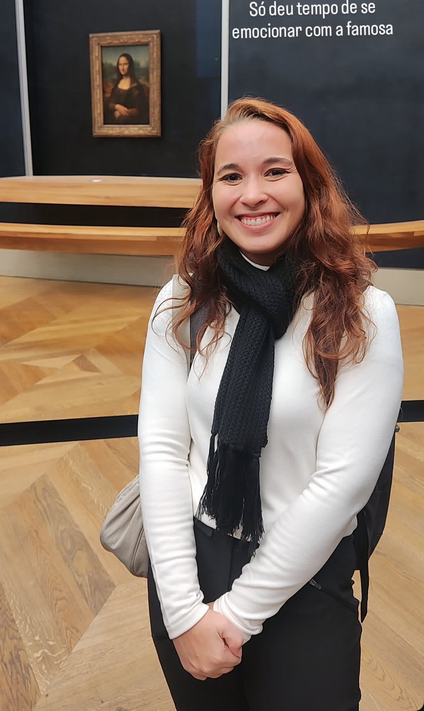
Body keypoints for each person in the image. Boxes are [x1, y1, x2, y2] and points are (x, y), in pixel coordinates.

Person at [138, 98, 403, 711]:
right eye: (231, 176)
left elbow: (342, 485)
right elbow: (162, 450)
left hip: (304, 573)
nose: (252, 194)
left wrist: (237, 614)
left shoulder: (363, 314)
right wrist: (182, 610)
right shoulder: (183, 299)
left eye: (275, 171)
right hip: (189, 563)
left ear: (309, 184)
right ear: (211, 195)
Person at [104, 52, 148, 124]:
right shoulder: (117, 83)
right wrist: (117, 107)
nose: (122, 68)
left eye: (125, 64)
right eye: (120, 64)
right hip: (114, 116)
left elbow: (139, 110)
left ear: (130, 66)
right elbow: (110, 103)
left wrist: (123, 112)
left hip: (129, 119)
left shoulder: (136, 87)